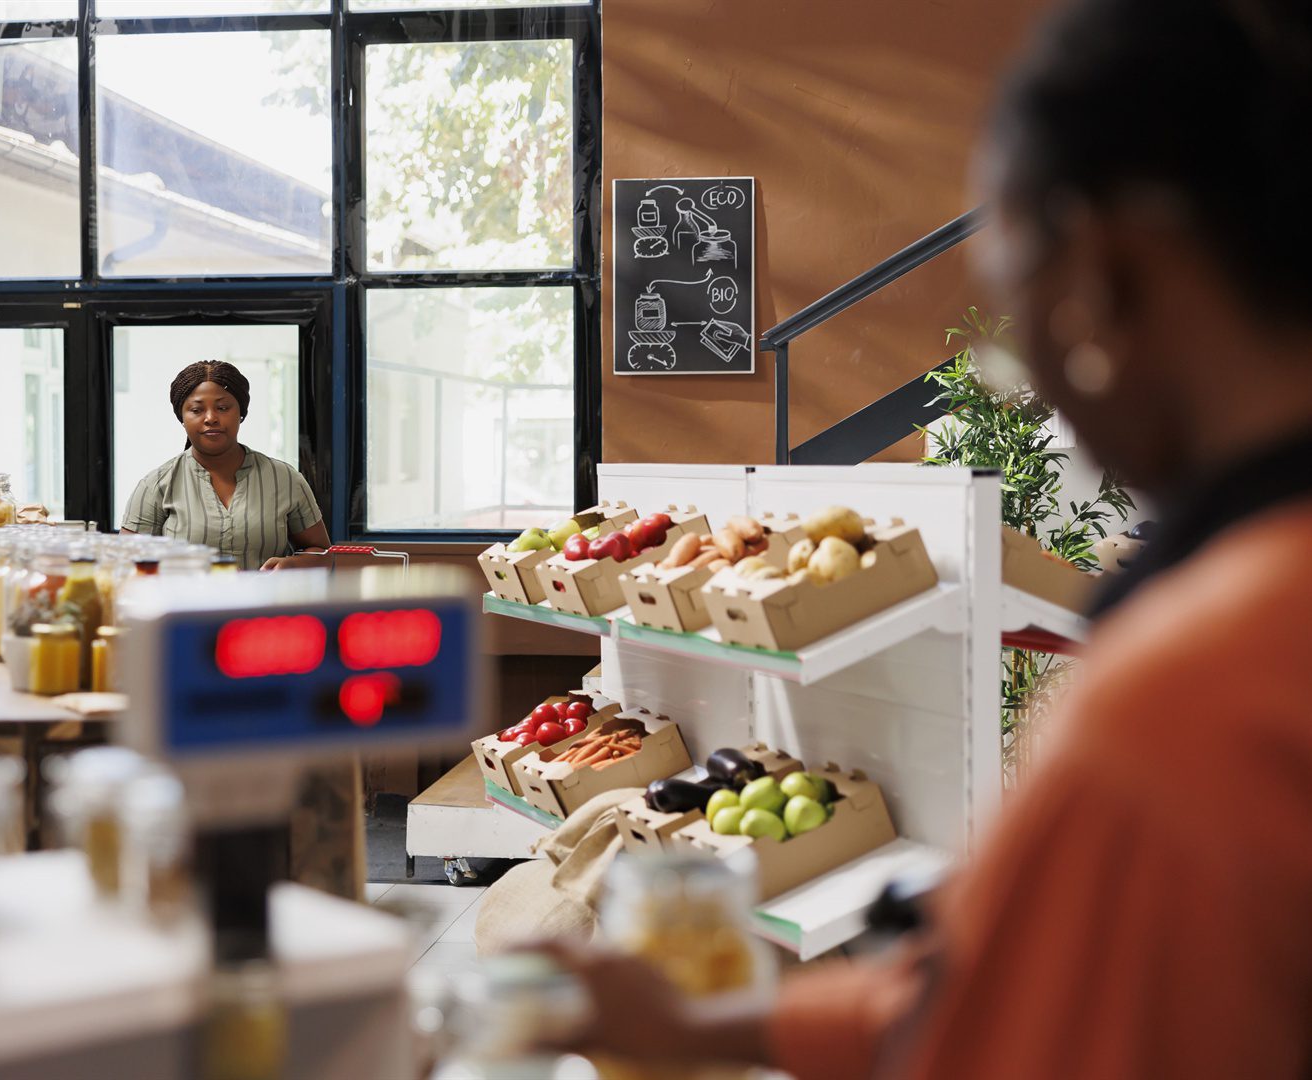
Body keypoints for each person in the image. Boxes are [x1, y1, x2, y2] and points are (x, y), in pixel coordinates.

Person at [539, 0, 1312, 1076]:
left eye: (1015, 287)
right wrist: (709, 1026)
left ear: (1102, 273)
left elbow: (993, 1038)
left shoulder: (1187, 698)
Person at [122, 361, 330, 570]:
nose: (211, 418)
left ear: (241, 413)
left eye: (222, 408)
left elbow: (322, 553)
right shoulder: (156, 486)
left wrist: (293, 564)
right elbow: (125, 565)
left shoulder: (284, 479)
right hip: (184, 602)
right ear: (182, 418)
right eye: (196, 410)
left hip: (264, 602)